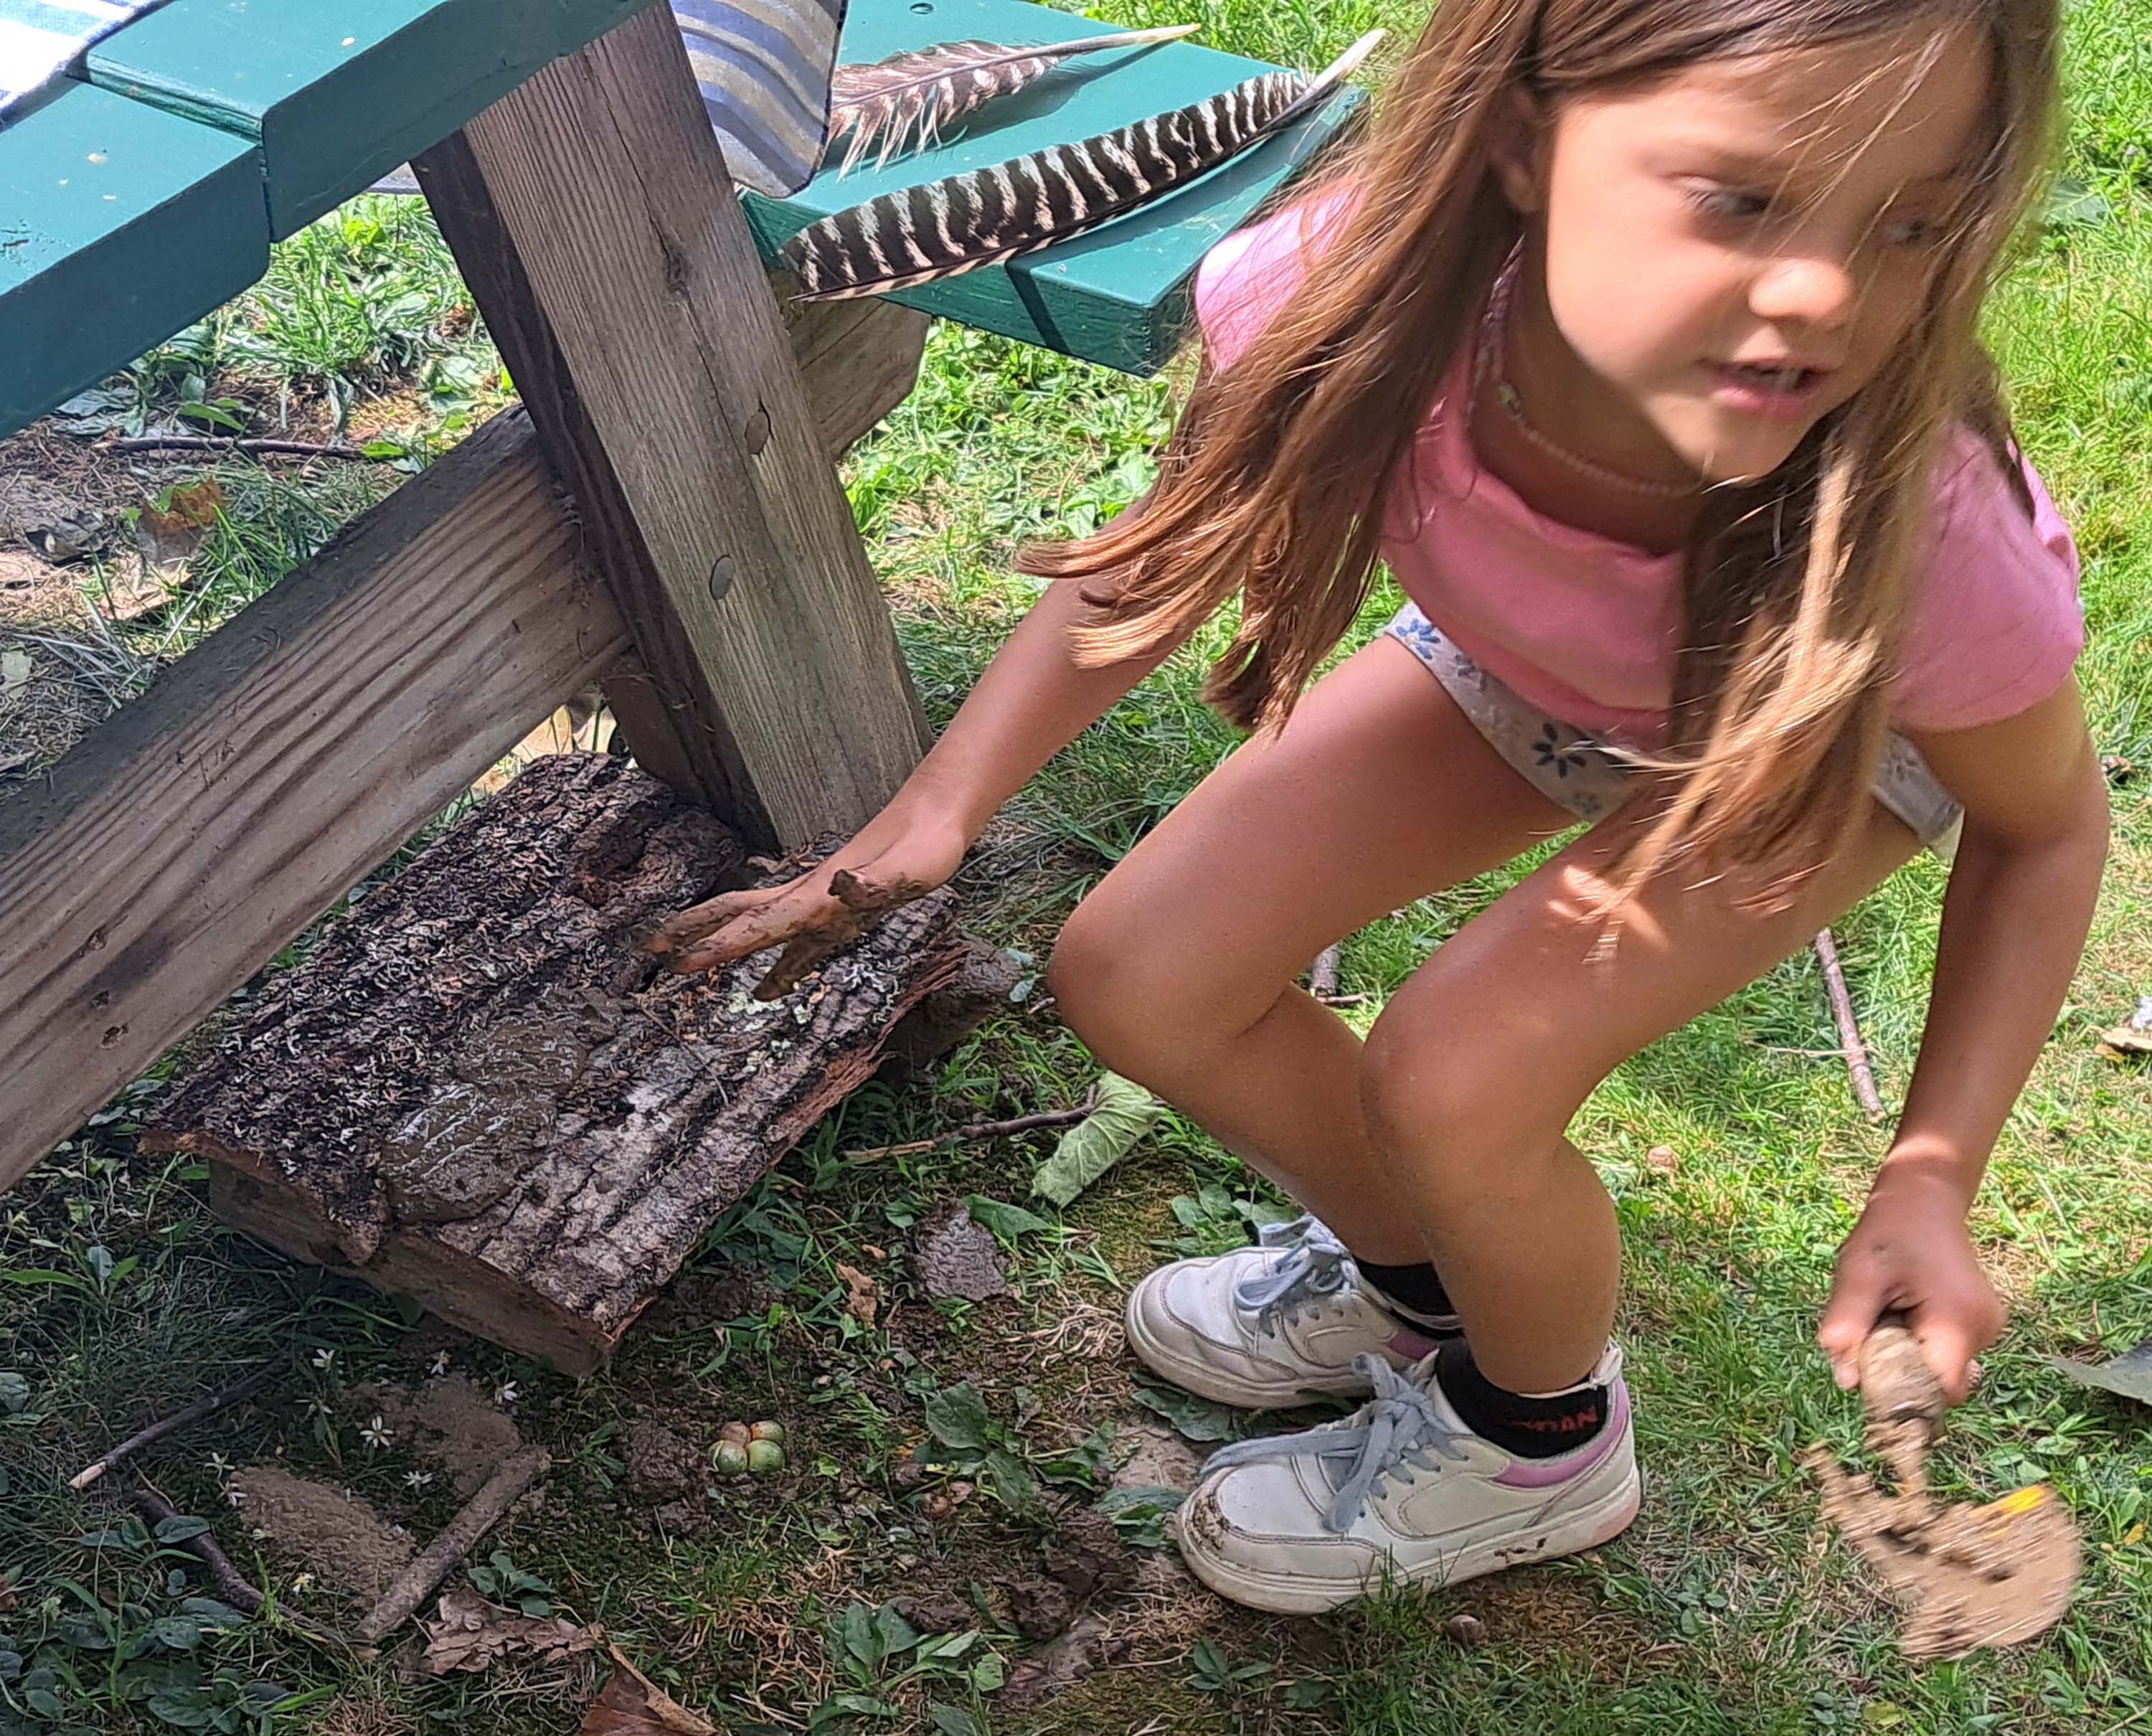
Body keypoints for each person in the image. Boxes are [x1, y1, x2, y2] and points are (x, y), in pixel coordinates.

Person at [647, 0, 2108, 1613]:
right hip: (1540, 666)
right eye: (1742, 198)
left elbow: (2045, 827)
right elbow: (1166, 548)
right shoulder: (1339, 292)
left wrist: (1930, 1170)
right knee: (1138, 973)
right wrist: (940, 809)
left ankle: (1540, 1438)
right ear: (1525, 138)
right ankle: (1422, 1295)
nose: (1827, 292)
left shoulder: (1932, 534)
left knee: (1455, 1076)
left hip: (1811, 722)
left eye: (1913, 224)